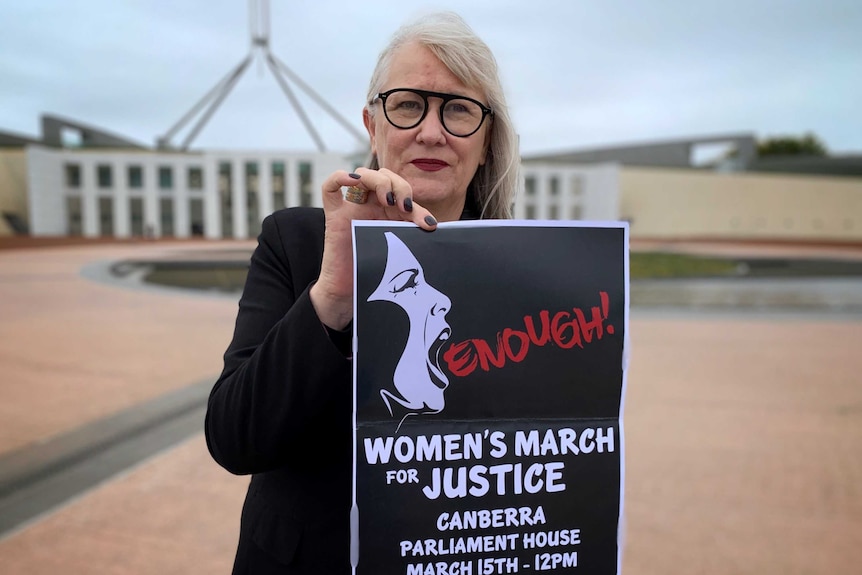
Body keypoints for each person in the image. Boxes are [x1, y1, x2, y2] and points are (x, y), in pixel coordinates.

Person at [205, 11, 519, 574]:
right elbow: (234, 438)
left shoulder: (522, 270)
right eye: (407, 105)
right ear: (372, 125)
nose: (431, 131)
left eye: (458, 109)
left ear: (487, 135)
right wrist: (334, 293)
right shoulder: (297, 242)